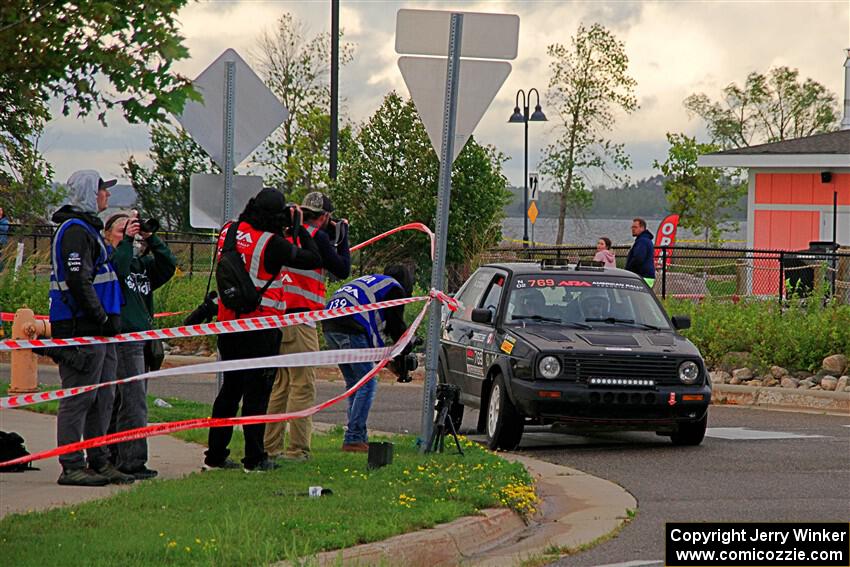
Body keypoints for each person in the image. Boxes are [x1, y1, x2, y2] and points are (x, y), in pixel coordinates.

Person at [204, 188, 322, 472]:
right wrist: (298, 227)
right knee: (257, 394)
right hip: (261, 325)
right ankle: (254, 458)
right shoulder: (271, 243)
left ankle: (215, 455)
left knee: (230, 391)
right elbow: (313, 259)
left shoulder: (228, 231)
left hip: (228, 323)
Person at [49, 170, 135, 486]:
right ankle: (71, 465)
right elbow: (77, 281)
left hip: (100, 328)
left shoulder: (90, 229)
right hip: (79, 327)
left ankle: (99, 460)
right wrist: (101, 318)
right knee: (79, 399)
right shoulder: (74, 231)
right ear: (88, 193)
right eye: (102, 190)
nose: (107, 196)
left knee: (103, 397)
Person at [264, 191, 351, 461]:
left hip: (277, 318)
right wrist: (343, 238)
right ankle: (297, 449)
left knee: (280, 385)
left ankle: (270, 446)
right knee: (303, 386)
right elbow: (342, 269)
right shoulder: (318, 238)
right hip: (301, 320)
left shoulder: (284, 235)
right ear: (325, 217)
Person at [103, 211, 177, 480]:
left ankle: (115, 455)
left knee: (124, 401)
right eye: (122, 231)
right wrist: (126, 242)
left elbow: (169, 265)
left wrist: (151, 237)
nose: (129, 236)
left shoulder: (140, 265)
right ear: (108, 235)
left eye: (130, 230)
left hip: (143, 339)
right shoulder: (109, 260)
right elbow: (118, 270)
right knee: (132, 403)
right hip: (124, 339)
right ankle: (131, 460)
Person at [322, 265, 413, 452]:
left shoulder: (375, 282)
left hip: (330, 324)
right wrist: (404, 346)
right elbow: (395, 327)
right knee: (367, 384)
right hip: (350, 327)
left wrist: (388, 360)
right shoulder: (395, 289)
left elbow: (375, 331)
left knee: (355, 384)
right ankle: (353, 438)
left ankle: (358, 437)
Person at [624, 218, 656, 286]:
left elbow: (638, 258)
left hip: (642, 277)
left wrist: (629, 270)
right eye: (632, 227)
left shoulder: (642, 241)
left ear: (642, 228)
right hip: (646, 276)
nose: (633, 229)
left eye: (635, 227)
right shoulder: (645, 240)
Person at [0, 206, 9, 271]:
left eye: (0, 210)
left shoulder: (5, 221)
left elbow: (5, 228)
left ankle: (2, 270)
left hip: (1, 241)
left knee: (2, 256)